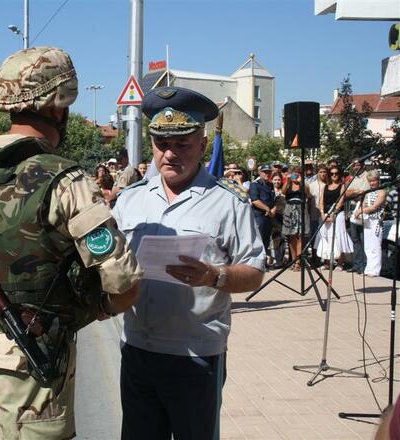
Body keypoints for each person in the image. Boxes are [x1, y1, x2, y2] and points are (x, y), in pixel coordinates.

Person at [0, 46, 142, 439]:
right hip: (31, 362)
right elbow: (124, 283)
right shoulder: (66, 180)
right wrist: (98, 310)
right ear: (58, 108)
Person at [113, 86, 265, 440]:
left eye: (181, 144)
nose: (169, 154)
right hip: (137, 350)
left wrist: (214, 276)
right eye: (161, 144)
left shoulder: (229, 203)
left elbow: (255, 272)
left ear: (202, 143)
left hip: (194, 356)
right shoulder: (128, 201)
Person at [316, 165, 353, 270]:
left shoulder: (342, 186)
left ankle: (340, 262)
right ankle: (327, 262)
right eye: (331, 173)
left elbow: (341, 201)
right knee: (326, 237)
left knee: (338, 237)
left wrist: (333, 214)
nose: (334, 175)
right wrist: (323, 214)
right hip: (325, 214)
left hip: (337, 214)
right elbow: (321, 202)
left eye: (336, 173)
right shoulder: (325, 187)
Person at [354, 170, 386, 277]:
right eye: (370, 181)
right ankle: (369, 268)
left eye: (374, 181)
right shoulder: (368, 192)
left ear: (378, 181)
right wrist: (359, 211)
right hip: (367, 220)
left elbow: (374, 207)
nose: (372, 183)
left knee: (375, 245)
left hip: (376, 220)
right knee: (367, 245)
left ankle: (375, 270)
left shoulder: (381, 192)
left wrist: (362, 211)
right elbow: (364, 204)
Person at [281, 165, 311, 271]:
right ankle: (293, 260)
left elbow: (308, 193)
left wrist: (301, 181)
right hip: (289, 209)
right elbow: (283, 192)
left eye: (297, 172)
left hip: (301, 209)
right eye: (294, 173)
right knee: (291, 237)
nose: (295, 175)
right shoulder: (288, 184)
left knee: (300, 237)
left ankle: (298, 261)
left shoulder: (303, 184)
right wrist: (288, 180)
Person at [345, 159, 371, 273]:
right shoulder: (352, 178)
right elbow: (346, 193)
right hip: (352, 210)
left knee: (363, 239)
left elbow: (365, 192)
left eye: (358, 164)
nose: (356, 166)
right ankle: (356, 265)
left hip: (363, 209)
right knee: (355, 239)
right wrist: (356, 191)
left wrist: (355, 193)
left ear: (363, 164)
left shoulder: (367, 176)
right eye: (354, 164)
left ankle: (365, 266)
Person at [249, 164, 276, 260]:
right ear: (260, 173)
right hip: (259, 216)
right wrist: (267, 209)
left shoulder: (270, 185)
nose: (267, 174)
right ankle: (257, 262)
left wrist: (273, 210)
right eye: (265, 172)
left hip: (268, 217)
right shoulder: (254, 185)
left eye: (269, 172)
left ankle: (263, 262)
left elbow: (274, 200)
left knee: (266, 241)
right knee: (258, 241)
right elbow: (255, 200)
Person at [309, 164, 328, 263]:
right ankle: (315, 258)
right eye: (321, 172)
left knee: (326, 236)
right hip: (314, 214)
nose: (323, 174)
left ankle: (326, 259)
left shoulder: (329, 185)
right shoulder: (312, 186)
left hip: (326, 215)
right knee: (315, 236)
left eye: (324, 172)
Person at [270, 172, 286, 268]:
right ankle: (278, 260)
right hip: (273, 217)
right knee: (276, 239)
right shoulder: (270, 190)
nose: (277, 181)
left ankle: (283, 259)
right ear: (272, 180)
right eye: (275, 179)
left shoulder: (284, 190)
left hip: (284, 216)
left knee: (284, 239)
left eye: (279, 179)